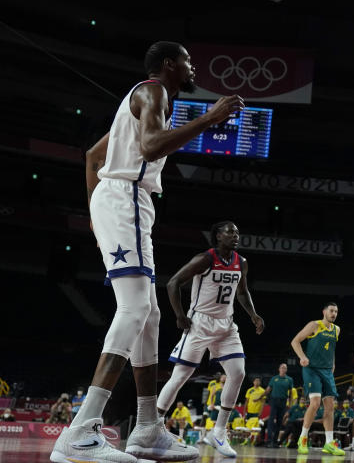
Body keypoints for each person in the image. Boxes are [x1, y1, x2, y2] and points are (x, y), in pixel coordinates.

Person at [54, 42, 241, 463]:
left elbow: (93, 156)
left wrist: (94, 213)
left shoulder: (141, 100)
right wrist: (209, 119)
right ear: (170, 65)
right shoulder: (154, 90)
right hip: (125, 198)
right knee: (135, 310)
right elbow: (154, 146)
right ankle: (80, 432)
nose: (194, 68)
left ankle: (146, 429)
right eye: (189, 61)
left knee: (150, 314)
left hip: (119, 201)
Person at [157, 220, 264, 457]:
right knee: (180, 376)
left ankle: (218, 432)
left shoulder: (241, 262)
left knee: (238, 373)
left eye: (237, 232)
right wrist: (179, 315)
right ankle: (153, 426)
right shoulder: (205, 259)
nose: (235, 236)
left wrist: (253, 315)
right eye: (230, 232)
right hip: (200, 323)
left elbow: (242, 291)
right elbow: (173, 283)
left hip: (226, 324)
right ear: (217, 236)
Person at [291, 302, 345, 455]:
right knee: (315, 404)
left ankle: (329, 443)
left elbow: (331, 348)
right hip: (311, 369)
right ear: (324, 312)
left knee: (330, 407)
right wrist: (302, 357)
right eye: (331, 311)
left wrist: (333, 363)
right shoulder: (314, 325)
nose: (334, 314)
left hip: (327, 371)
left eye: (336, 311)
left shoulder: (337, 329)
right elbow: (295, 341)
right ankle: (302, 438)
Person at [262, 363, 295, 447]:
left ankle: (275, 441)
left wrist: (290, 405)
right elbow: (268, 390)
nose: (283, 369)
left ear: (286, 370)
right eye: (282, 367)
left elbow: (291, 394)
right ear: (279, 369)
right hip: (274, 400)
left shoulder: (289, 379)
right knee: (271, 420)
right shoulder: (274, 378)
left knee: (280, 422)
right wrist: (260, 397)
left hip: (283, 401)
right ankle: (269, 441)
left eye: (285, 368)